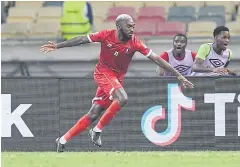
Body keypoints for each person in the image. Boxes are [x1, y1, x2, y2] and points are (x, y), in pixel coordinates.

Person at [40, 14, 194, 152]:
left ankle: (62, 140)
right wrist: (58, 46)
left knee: (94, 113)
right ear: (119, 26)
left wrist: (178, 75)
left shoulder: (135, 42)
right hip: (103, 73)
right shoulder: (106, 35)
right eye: (129, 26)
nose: (132, 28)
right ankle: (97, 131)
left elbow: (156, 58)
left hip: (116, 78)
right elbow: (81, 39)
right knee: (122, 98)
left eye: (133, 26)